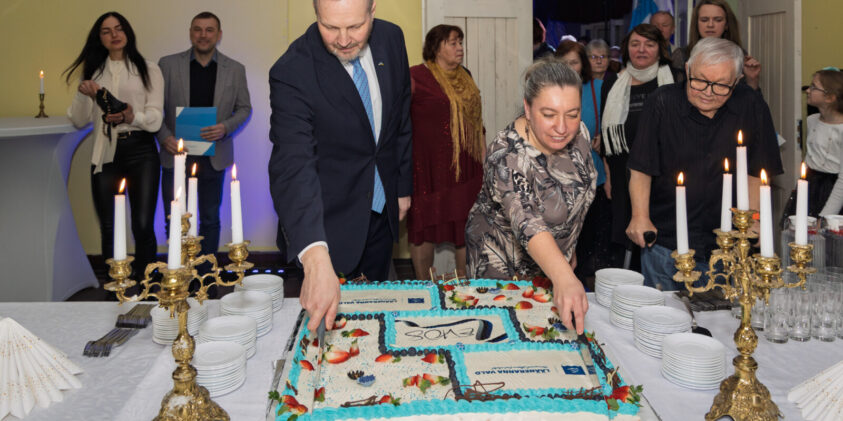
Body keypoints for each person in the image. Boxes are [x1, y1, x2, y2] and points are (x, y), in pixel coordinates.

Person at [268, 0, 412, 330]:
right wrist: (314, 255)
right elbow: (293, 164)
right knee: (331, 331)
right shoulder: (293, 70)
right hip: (327, 223)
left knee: (376, 323)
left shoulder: (391, 38)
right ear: (316, 14)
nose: (344, 39)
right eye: (330, 27)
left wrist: (402, 187)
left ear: (372, 11)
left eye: (355, 27)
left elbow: (401, 117)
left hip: (382, 209)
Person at [626, 38, 784, 290]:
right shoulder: (661, 101)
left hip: (729, 245)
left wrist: (754, 218)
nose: (708, 92)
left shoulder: (750, 104)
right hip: (667, 240)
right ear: (688, 69)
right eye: (699, 81)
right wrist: (640, 217)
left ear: (737, 81)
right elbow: (641, 167)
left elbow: (757, 169)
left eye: (721, 85)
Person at [465, 58, 595, 334]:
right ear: (527, 108)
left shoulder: (580, 133)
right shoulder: (506, 155)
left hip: (552, 265)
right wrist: (563, 275)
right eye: (549, 114)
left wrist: (567, 249)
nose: (562, 127)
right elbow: (526, 220)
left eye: (572, 114)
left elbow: (576, 199)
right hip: (504, 270)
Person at [65, 11, 163, 278]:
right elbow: (78, 119)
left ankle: (147, 285)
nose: (114, 35)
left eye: (118, 28)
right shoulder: (93, 72)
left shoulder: (148, 69)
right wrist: (85, 93)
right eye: (106, 31)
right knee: (109, 226)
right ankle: (115, 288)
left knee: (142, 225)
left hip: (141, 150)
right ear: (99, 38)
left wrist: (132, 117)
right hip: (105, 153)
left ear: (128, 32)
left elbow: (155, 118)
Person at [157, 11, 252, 270]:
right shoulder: (167, 65)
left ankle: (206, 276)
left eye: (209, 30)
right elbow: (153, 109)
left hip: (214, 156)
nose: (203, 35)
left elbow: (244, 108)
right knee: (175, 220)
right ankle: (177, 275)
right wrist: (164, 137)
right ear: (190, 33)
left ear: (218, 35)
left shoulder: (235, 69)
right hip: (176, 157)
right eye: (198, 29)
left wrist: (225, 128)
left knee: (210, 219)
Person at [407, 25, 483, 280]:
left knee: (466, 226)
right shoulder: (416, 76)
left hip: (466, 168)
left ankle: (463, 286)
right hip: (428, 169)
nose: (460, 48)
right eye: (453, 43)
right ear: (436, 47)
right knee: (424, 226)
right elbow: (399, 122)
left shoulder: (466, 76)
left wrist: (482, 157)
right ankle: (424, 285)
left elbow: (476, 123)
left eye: (460, 42)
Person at [600, 24, 678, 271]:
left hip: (662, 173)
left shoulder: (675, 79)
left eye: (649, 44)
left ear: (660, 49)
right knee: (626, 239)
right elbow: (606, 137)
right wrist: (609, 177)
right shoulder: (613, 82)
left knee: (660, 238)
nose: (641, 50)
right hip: (622, 174)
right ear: (627, 49)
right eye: (635, 44)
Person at [555, 41, 611, 286]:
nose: (569, 67)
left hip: (592, 174)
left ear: (583, 64)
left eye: (574, 62)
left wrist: (604, 140)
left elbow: (614, 123)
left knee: (589, 237)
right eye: (564, 63)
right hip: (559, 177)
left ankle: (585, 288)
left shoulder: (598, 88)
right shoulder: (550, 90)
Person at [670, 0, 761, 90]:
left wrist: (752, 79)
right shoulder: (681, 55)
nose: (710, 25)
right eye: (704, 20)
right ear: (697, 24)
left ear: (727, 24)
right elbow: (675, 95)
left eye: (718, 20)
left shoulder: (740, 55)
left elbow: (748, 98)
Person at [802, 68, 843, 216]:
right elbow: (811, 158)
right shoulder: (812, 121)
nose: (808, 90)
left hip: (834, 192)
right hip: (810, 188)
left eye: (813, 87)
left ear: (829, 98)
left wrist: (825, 216)